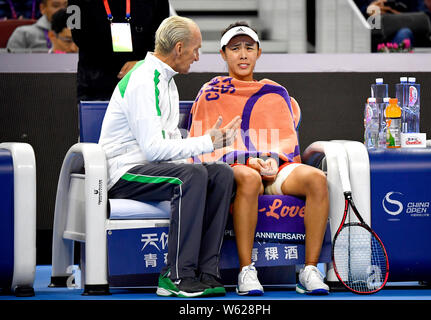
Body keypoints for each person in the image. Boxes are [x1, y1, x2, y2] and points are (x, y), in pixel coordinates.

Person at [98, 16, 241, 298]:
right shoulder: (143, 79)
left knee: (222, 174)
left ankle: (207, 272)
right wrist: (205, 142)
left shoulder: (167, 81)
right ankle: (176, 276)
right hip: (123, 172)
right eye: (195, 49)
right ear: (178, 48)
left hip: (153, 168)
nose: (197, 57)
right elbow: (153, 149)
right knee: (191, 176)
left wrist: (208, 145)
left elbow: (167, 143)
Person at [189, 22, 330, 295]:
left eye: (248, 48)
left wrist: (272, 161)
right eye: (235, 48)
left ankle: (310, 269)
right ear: (223, 54)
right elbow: (206, 147)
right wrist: (246, 161)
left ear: (258, 52)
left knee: (316, 179)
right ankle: (246, 270)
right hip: (234, 169)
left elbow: (286, 143)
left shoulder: (275, 92)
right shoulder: (211, 92)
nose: (242, 55)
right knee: (249, 178)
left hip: (275, 167)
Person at [68, 0, 170, 101]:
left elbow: (163, 39)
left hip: (144, 84)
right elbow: (78, 36)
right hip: (94, 84)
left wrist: (143, 63)